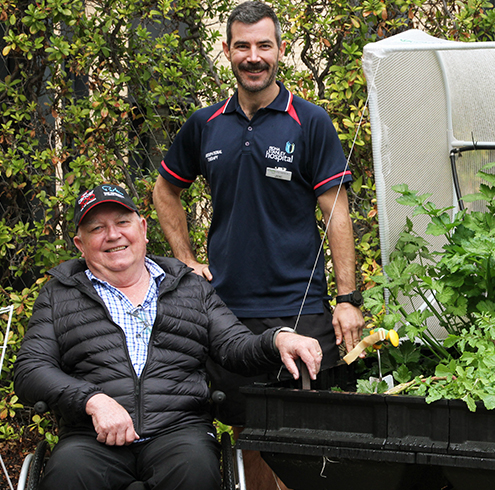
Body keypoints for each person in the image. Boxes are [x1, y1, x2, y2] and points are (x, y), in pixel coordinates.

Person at [13, 184, 323, 490]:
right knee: (68, 475)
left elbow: (234, 346)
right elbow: (30, 370)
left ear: (143, 227)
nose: (113, 235)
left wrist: (278, 339)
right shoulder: (58, 294)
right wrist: (93, 401)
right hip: (90, 437)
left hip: (179, 431)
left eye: (123, 222)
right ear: (81, 245)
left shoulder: (189, 287)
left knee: (195, 472)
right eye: (97, 228)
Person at [153, 1, 364, 418]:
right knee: (245, 428)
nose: (253, 57)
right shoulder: (205, 123)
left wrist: (347, 298)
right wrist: (186, 260)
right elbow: (164, 191)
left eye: (263, 46)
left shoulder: (310, 121)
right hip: (226, 313)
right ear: (228, 50)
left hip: (302, 309)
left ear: (280, 51)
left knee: (307, 436)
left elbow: (336, 212)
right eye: (242, 46)